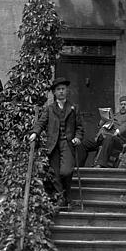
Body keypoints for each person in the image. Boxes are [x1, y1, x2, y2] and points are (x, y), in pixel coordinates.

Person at [30, 77, 84, 207]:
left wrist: (78, 137)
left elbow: (80, 127)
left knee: (66, 171)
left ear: (67, 91)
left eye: (63, 89)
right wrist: (34, 133)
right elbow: (41, 122)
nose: (61, 91)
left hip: (68, 143)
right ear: (54, 92)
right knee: (54, 173)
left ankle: (67, 195)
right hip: (53, 144)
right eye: (58, 89)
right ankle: (62, 197)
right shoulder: (49, 109)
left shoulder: (73, 108)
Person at [77, 95, 126, 167]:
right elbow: (101, 125)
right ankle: (79, 166)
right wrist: (102, 121)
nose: (123, 106)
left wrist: (118, 131)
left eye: (125, 104)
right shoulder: (115, 115)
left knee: (109, 138)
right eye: (121, 104)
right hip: (103, 137)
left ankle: (100, 164)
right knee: (83, 144)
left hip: (118, 140)